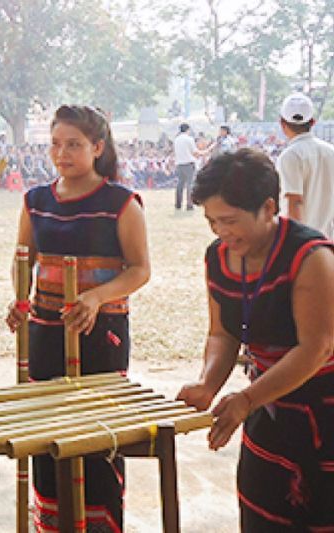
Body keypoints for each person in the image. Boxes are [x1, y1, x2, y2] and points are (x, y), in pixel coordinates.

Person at [6, 105, 150, 532]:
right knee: (46, 434)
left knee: (98, 436)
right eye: (55, 144)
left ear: (97, 148)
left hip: (99, 335)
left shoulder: (120, 202)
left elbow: (140, 269)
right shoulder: (36, 201)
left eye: (73, 144)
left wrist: (96, 298)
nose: (61, 153)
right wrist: (19, 299)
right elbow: (23, 260)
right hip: (46, 336)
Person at [177, 148, 334, 531]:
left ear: (268, 208)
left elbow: (317, 348)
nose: (221, 232)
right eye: (212, 221)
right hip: (270, 407)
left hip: (324, 409)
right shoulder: (217, 257)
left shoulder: (310, 257)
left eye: (229, 220)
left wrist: (247, 399)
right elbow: (223, 333)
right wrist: (208, 384)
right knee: (263, 515)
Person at [276, 92, 334, 239]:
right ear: (313, 122)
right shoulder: (331, 152)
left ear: (282, 123)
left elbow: (294, 202)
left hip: (304, 244)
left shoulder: (290, 156)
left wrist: (294, 244)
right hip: (328, 241)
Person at [173, 123, 205, 211]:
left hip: (179, 163)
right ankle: (189, 204)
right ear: (188, 130)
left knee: (180, 184)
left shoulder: (176, 139)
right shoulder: (189, 139)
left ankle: (178, 204)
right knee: (190, 185)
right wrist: (203, 152)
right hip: (188, 163)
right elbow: (195, 152)